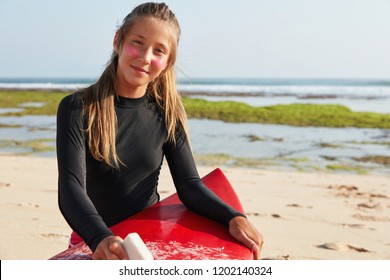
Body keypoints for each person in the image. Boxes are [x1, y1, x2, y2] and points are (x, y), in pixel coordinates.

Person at [56, 2, 263, 260]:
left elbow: (189, 185)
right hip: (92, 238)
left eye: (159, 51)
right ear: (118, 41)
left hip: (148, 237)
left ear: (167, 62)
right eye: (138, 43)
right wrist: (100, 237)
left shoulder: (168, 114)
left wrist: (233, 217)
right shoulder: (79, 107)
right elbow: (70, 187)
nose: (145, 57)